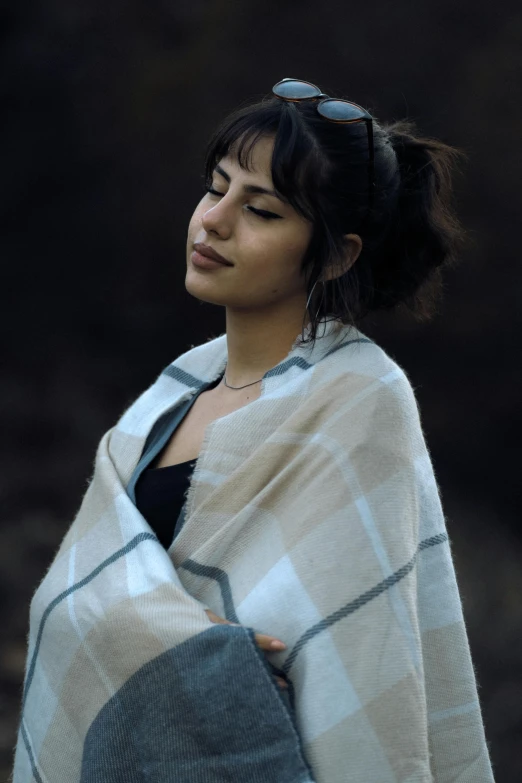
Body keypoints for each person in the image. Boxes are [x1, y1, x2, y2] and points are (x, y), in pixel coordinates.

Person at [13, 78, 494, 782]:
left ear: (334, 255)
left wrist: (211, 661)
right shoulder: (169, 394)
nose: (214, 221)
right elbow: (81, 597)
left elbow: (363, 652)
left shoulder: (360, 401)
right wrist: (176, 645)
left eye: (261, 209)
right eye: (216, 188)